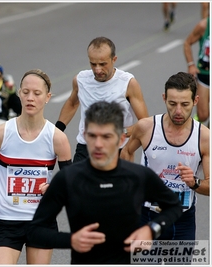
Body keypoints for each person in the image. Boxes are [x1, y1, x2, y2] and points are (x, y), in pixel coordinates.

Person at [28, 101, 182, 264]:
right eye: (93, 136)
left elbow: (174, 206)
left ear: (121, 138)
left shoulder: (138, 176)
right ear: (85, 135)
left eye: (106, 136)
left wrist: (151, 230)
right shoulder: (68, 178)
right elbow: (35, 231)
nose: (98, 144)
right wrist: (71, 240)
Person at [0, 69, 72, 264]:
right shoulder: (1, 133)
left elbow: (70, 181)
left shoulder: (57, 138)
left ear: (47, 97)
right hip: (8, 222)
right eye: (25, 92)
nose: (30, 98)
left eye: (37, 93)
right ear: (19, 93)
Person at [121, 72, 210, 242]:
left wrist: (194, 182)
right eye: (172, 103)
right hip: (147, 216)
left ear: (195, 101)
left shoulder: (204, 137)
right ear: (164, 98)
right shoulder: (146, 127)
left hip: (182, 221)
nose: (178, 111)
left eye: (185, 104)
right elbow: (127, 152)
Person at [55, 36, 148, 162]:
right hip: (85, 148)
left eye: (103, 64)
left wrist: (123, 132)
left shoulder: (128, 83)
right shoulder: (80, 80)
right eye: (93, 64)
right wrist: (57, 131)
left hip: (117, 150)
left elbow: (145, 123)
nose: (97, 70)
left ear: (114, 59)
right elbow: (72, 103)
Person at [183, 15, 210, 126]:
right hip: (205, 75)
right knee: (203, 115)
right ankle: (193, 127)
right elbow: (187, 43)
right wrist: (191, 65)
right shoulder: (204, 25)